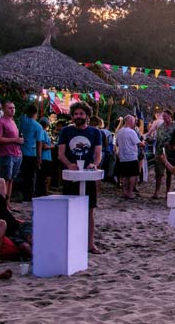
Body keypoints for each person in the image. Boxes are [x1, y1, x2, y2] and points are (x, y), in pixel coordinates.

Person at [57, 101, 104, 254]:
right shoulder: (66, 131)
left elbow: (98, 155)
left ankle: (90, 244)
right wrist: (69, 164)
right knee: (70, 208)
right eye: (76, 114)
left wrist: (94, 165)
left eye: (81, 114)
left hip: (88, 177)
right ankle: (70, 242)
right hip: (71, 176)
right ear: (72, 116)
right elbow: (61, 154)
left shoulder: (95, 132)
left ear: (87, 116)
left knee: (89, 210)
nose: (78, 116)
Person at [0, 101, 23, 209]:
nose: (12, 110)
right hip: (6, 154)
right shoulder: (0, 122)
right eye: (10, 108)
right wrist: (15, 140)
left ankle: (7, 202)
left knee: (11, 179)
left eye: (14, 108)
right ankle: (2, 203)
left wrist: (18, 141)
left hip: (16, 154)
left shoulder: (13, 121)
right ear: (4, 109)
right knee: (5, 180)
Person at [17, 104, 46, 202]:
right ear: (36, 113)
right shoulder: (38, 126)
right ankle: (28, 195)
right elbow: (39, 143)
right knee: (31, 176)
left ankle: (21, 193)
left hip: (20, 152)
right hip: (32, 154)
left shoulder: (22, 121)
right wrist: (39, 157)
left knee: (23, 175)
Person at [151, 110, 175, 199]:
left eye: (165, 116)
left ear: (170, 116)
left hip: (171, 152)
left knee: (170, 173)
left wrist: (172, 145)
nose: (164, 118)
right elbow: (158, 138)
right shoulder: (161, 126)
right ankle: (156, 192)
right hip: (160, 151)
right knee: (158, 172)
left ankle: (169, 192)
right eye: (163, 116)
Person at [115, 115, 144, 200]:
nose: (135, 123)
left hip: (122, 157)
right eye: (134, 121)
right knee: (133, 175)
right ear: (130, 121)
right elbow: (139, 143)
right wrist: (143, 142)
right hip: (131, 156)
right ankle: (130, 192)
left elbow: (117, 143)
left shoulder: (119, 131)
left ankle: (124, 192)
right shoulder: (131, 132)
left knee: (124, 175)